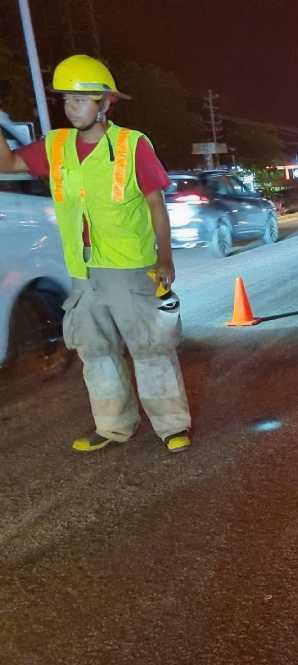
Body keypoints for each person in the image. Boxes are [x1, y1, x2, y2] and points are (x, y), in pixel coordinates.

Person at [0, 55, 192, 453]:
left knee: (150, 347)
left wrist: (165, 258)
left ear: (105, 103)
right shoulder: (57, 146)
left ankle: (172, 425)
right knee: (96, 352)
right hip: (83, 272)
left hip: (131, 267)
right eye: (67, 99)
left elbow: (156, 204)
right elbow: (7, 162)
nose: (72, 107)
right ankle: (113, 426)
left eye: (81, 99)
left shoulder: (132, 145)